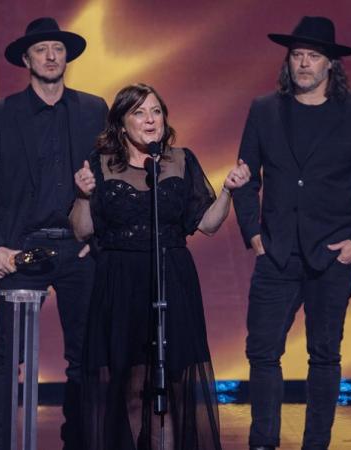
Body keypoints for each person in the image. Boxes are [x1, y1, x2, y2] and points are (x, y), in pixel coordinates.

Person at [232, 16, 351, 450]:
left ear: (330, 64)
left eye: (312, 56)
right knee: (262, 352)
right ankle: (263, 442)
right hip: (276, 251)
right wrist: (253, 234)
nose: (303, 64)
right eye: (296, 55)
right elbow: (245, 178)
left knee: (324, 355)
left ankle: (315, 444)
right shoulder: (264, 109)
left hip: (332, 253)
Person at [70, 83, 250, 450]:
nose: (150, 119)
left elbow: (208, 224)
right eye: (138, 112)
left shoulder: (181, 160)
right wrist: (83, 196)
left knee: (169, 388)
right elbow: (81, 230)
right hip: (121, 283)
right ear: (121, 124)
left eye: (156, 111)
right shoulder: (100, 164)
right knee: (133, 386)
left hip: (171, 278)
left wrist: (229, 190)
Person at [0, 17, 108, 450]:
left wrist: (97, 237)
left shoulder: (93, 109)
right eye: (42, 49)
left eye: (57, 49)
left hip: (78, 247)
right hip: (21, 249)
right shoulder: (1, 114)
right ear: (26, 59)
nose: (51, 56)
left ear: (67, 56)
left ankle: (81, 439)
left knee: (86, 355)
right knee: (10, 354)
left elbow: (109, 177)